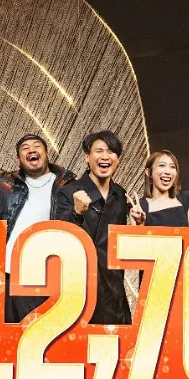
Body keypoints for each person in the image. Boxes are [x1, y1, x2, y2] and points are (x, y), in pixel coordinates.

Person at [0, 120, 77, 323]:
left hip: (41, 277)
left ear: (47, 154)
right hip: (3, 274)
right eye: (25, 148)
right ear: (18, 160)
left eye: (37, 146)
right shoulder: (3, 180)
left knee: (34, 333)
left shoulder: (66, 185)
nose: (31, 150)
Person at [55, 130, 145, 325]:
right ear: (87, 157)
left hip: (114, 289)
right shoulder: (68, 192)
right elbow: (59, 241)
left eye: (111, 152)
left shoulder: (120, 194)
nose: (105, 156)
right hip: (79, 289)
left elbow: (123, 249)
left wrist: (137, 227)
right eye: (99, 151)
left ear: (118, 160)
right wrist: (76, 212)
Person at [140, 150, 189, 227]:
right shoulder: (139, 206)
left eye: (172, 167)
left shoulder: (185, 199)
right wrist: (139, 224)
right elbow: (137, 234)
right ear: (148, 172)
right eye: (162, 165)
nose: (168, 171)